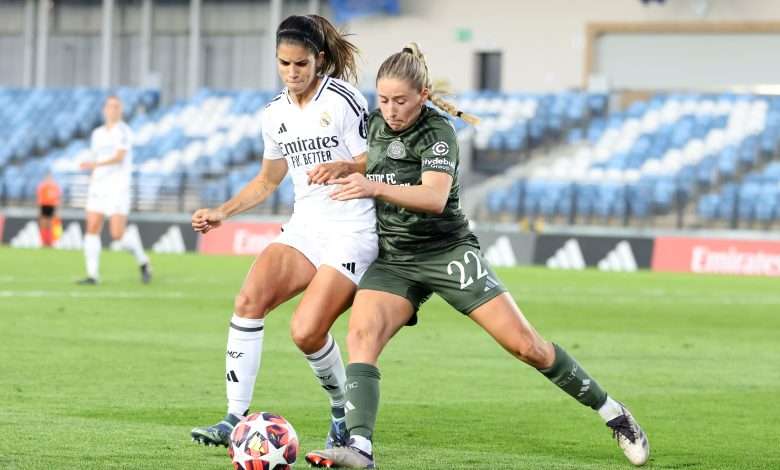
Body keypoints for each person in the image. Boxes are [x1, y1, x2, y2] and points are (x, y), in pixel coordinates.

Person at [305, 43, 650, 468]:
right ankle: (360, 448)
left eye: (400, 100)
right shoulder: (375, 123)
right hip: (395, 258)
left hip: (447, 252)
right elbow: (375, 161)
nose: (390, 109)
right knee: (361, 336)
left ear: (424, 95)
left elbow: (433, 197)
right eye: (383, 99)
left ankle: (614, 414)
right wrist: (348, 169)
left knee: (526, 346)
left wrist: (372, 186)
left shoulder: (438, 133)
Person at [189, 15, 377, 450]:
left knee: (306, 332)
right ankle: (234, 417)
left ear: (320, 60)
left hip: (351, 228)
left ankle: (340, 411)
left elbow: (379, 160)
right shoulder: (274, 114)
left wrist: (346, 166)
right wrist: (223, 212)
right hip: (306, 227)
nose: (292, 73)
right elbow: (267, 180)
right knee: (247, 301)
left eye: (300, 64)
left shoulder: (344, 100)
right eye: (284, 64)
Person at [78, 95, 151, 285]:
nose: (113, 110)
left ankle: (143, 260)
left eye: (117, 106)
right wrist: (93, 175)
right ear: (104, 110)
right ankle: (92, 275)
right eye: (110, 106)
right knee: (92, 227)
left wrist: (95, 164)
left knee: (117, 235)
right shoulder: (97, 134)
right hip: (98, 186)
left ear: (121, 110)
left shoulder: (124, 132)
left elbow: (119, 157)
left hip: (118, 187)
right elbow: (96, 158)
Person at [36, 173, 61, 247]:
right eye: (47, 178)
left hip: (51, 206)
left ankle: (50, 242)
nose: (49, 179)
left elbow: (57, 199)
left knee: (50, 225)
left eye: (50, 178)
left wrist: (57, 210)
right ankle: (43, 242)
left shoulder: (55, 187)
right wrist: (39, 210)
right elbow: (39, 199)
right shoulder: (42, 187)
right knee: (43, 225)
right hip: (44, 206)